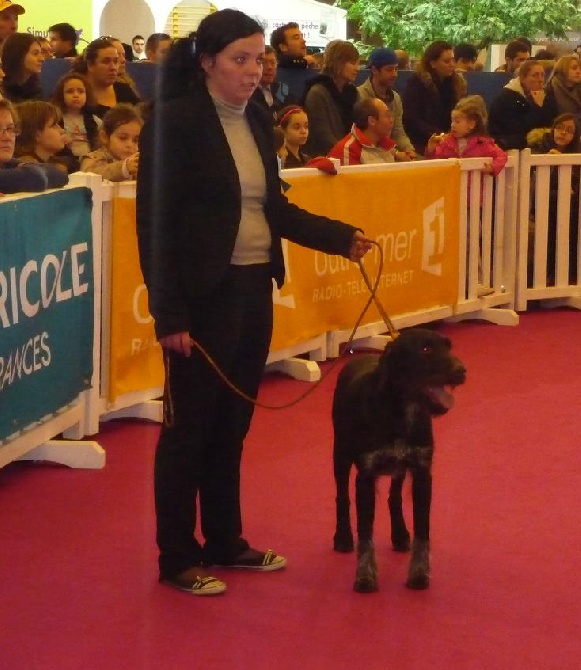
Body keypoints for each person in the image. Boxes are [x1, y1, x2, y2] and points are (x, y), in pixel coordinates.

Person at [135, 9, 372, 596]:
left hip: (252, 289)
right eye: (240, 59)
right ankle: (177, 556)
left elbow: (275, 209)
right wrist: (170, 315)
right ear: (207, 62)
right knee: (189, 430)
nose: (253, 69)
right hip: (201, 296)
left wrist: (340, 238)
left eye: (258, 58)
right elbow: (155, 225)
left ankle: (224, 541)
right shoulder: (175, 122)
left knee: (233, 424)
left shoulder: (258, 117)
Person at [527, 113, 581, 284]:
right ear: (552, 128)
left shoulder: (577, 154)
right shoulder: (537, 147)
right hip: (538, 206)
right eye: (559, 127)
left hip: (569, 209)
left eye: (569, 130)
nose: (563, 133)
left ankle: (565, 279)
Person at [402, 40, 466, 155]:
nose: (452, 64)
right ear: (432, 63)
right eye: (446, 61)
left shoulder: (456, 85)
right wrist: (439, 135)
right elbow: (412, 118)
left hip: (448, 140)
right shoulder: (417, 83)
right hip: (420, 142)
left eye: (453, 60)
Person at [302, 40, 360, 156]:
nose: (357, 68)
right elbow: (322, 136)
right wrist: (350, 153)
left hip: (348, 155)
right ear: (338, 63)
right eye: (353, 63)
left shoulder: (352, 92)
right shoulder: (317, 93)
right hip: (324, 158)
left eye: (358, 63)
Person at [357, 47, 416, 158]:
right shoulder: (360, 96)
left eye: (396, 69)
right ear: (374, 70)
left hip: (390, 153)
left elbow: (398, 131)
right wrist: (396, 154)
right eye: (389, 70)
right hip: (367, 155)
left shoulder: (395, 98)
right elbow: (364, 136)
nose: (395, 74)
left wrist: (409, 149)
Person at [0, 97, 67, 192]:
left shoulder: (8, 163)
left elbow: (60, 174)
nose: (7, 137)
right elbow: (36, 177)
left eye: (10, 129)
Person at [489, 59, 557, 150]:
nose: (540, 80)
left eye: (542, 75)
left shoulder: (544, 96)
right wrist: (537, 107)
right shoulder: (507, 97)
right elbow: (521, 128)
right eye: (535, 75)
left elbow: (549, 123)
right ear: (523, 78)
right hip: (507, 147)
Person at [72, 37, 139, 118]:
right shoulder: (74, 93)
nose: (113, 67)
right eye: (106, 61)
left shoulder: (124, 90)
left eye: (115, 61)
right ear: (90, 65)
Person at [329, 97, 406, 165]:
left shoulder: (387, 146)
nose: (391, 120)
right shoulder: (348, 150)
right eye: (387, 116)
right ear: (372, 121)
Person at [14, 100, 72, 177]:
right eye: (54, 125)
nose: (62, 130)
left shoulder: (54, 162)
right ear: (36, 134)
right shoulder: (24, 168)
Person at [81, 103, 140, 180]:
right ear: (104, 137)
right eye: (123, 138)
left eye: (135, 140)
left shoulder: (138, 162)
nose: (130, 144)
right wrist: (123, 168)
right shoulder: (93, 159)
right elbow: (87, 177)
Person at [52, 72, 101, 164]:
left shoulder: (94, 121)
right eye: (70, 91)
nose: (76, 95)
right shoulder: (56, 119)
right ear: (61, 95)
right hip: (64, 160)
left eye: (81, 91)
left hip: (90, 161)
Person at [1, 32, 44, 103]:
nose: (42, 59)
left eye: (41, 53)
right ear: (19, 55)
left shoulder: (36, 89)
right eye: (35, 54)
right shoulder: (3, 89)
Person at [249, 45, 288, 122]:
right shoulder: (248, 93)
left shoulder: (283, 90)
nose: (270, 67)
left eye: (273, 63)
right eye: (264, 63)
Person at [545, 55, 581, 119]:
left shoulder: (578, 88)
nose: (578, 72)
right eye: (574, 68)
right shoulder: (550, 90)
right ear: (563, 69)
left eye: (580, 69)